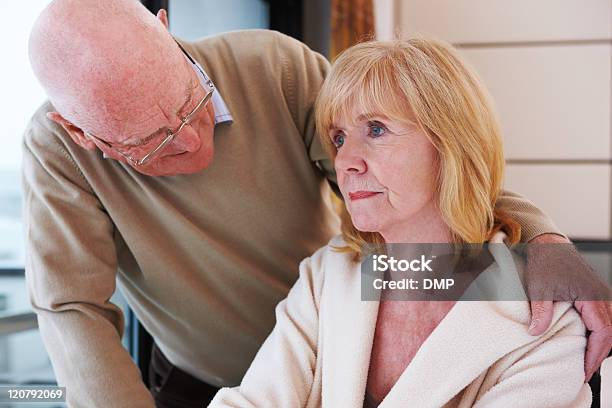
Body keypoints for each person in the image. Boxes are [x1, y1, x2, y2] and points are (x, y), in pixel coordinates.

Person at [23, 0, 609, 407]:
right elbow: (71, 308)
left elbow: (421, 183)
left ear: (165, 27)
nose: (191, 140)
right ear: (80, 133)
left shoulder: (275, 68)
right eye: (149, 143)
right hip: (204, 379)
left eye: (190, 102)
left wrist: (543, 240)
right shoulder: (323, 284)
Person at [210, 38, 593, 407]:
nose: (344, 161)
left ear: (451, 144)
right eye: (339, 138)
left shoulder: (545, 318)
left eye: (376, 129)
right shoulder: (326, 276)